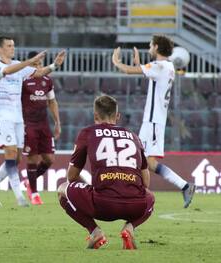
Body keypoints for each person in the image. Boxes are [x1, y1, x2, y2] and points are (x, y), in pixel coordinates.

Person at [58, 95, 154, 249]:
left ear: (95, 115)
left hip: (102, 205)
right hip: (134, 206)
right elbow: (146, 182)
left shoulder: (87, 133)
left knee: (63, 189)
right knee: (150, 196)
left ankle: (95, 232)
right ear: (118, 116)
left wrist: (93, 187)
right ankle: (130, 228)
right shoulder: (134, 137)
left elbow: (72, 176)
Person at [112, 34, 196, 208]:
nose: (149, 48)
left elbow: (129, 71)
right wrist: (138, 63)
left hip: (152, 122)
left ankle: (136, 195)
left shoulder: (159, 66)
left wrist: (116, 62)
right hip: (154, 121)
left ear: (157, 47)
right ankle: (183, 186)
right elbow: (148, 73)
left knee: (140, 160)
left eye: (151, 45)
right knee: (146, 162)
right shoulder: (167, 66)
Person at [0, 36, 66, 207]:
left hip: (18, 118)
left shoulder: (19, 65)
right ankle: (19, 197)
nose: (12, 48)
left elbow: (38, 73)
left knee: (17, 157)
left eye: (13, 45)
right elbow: (8, 71)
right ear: (0, 49)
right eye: (8, 45)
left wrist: (54, 65)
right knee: (11, 154)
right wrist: (30, 61)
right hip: (3, 116)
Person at [21, 51, 61, 205]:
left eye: (39, 64)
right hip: (28, 124)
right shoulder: (23, 80)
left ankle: (28, 182)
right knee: (32, 157)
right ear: (29, 65)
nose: (37, 67)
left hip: (44, 124)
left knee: (49, 159)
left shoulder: (47, 80)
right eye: (34, 64)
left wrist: (57, 122)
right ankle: (35, 194)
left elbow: (52, 102)